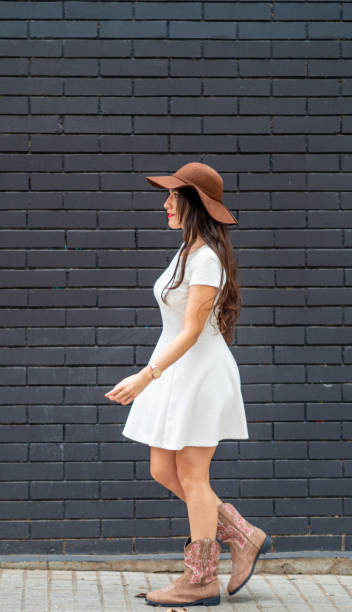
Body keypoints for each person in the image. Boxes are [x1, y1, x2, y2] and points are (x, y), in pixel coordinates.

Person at [104, 162, 272, 608]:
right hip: (176, 372)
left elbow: (192, 331)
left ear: (194, 204)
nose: (166, 204)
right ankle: (241, 533)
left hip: (198, 374)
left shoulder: (206, 260)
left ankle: (199, 580)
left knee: (194, 477)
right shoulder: (186, 252)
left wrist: (145, 374)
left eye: (173, 197)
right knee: (164, 469)